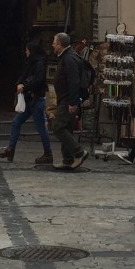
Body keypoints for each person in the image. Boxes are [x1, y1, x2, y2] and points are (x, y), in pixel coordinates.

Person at [0, 39, 53, 165]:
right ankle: (11, 149)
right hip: (29, 100)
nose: (25, 52)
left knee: (41, 128)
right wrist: (19, 84)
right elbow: (24, 75)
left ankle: (48, 153)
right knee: (16, 122)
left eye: (27, 50)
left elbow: (38, 80)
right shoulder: (31, 63)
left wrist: (25, 87)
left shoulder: (40, 64)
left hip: (36, 100)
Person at [50, 32, 89, 170]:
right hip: (65, 99)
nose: (53, 45)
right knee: (66, 128)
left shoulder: (69, 58)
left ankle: (79, 152)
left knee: (58, 127)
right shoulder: (65, 57)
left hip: (67, 100)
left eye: (54, 43)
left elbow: (74, 81)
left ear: (60, 44)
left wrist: (73, 102)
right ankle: (67, 159)